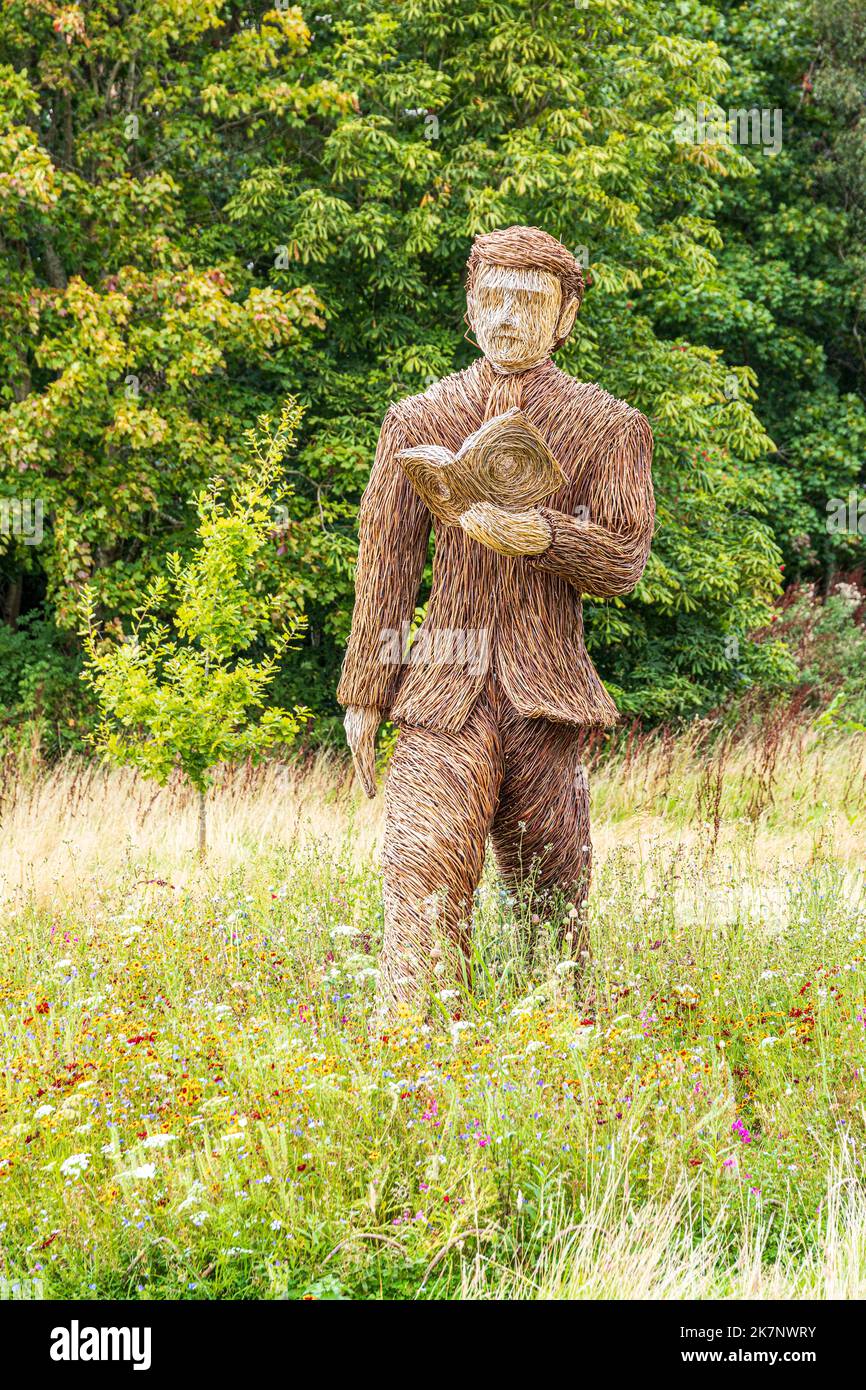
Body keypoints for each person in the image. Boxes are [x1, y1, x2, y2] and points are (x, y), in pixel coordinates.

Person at [338, 225, 655, 1009]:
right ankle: (410, 1044)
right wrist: (365, 690)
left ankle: (559, 1040)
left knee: (554, 891)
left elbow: (624, 558)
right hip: (442, 690)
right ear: (470, 305)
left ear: (566, 316)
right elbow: (385, 563)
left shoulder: (609, 425)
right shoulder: (419, 419)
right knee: (421, 870)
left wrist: (544, 536)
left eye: (530, 300)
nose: (508, 316)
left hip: (546, 693)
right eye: (493, 298)